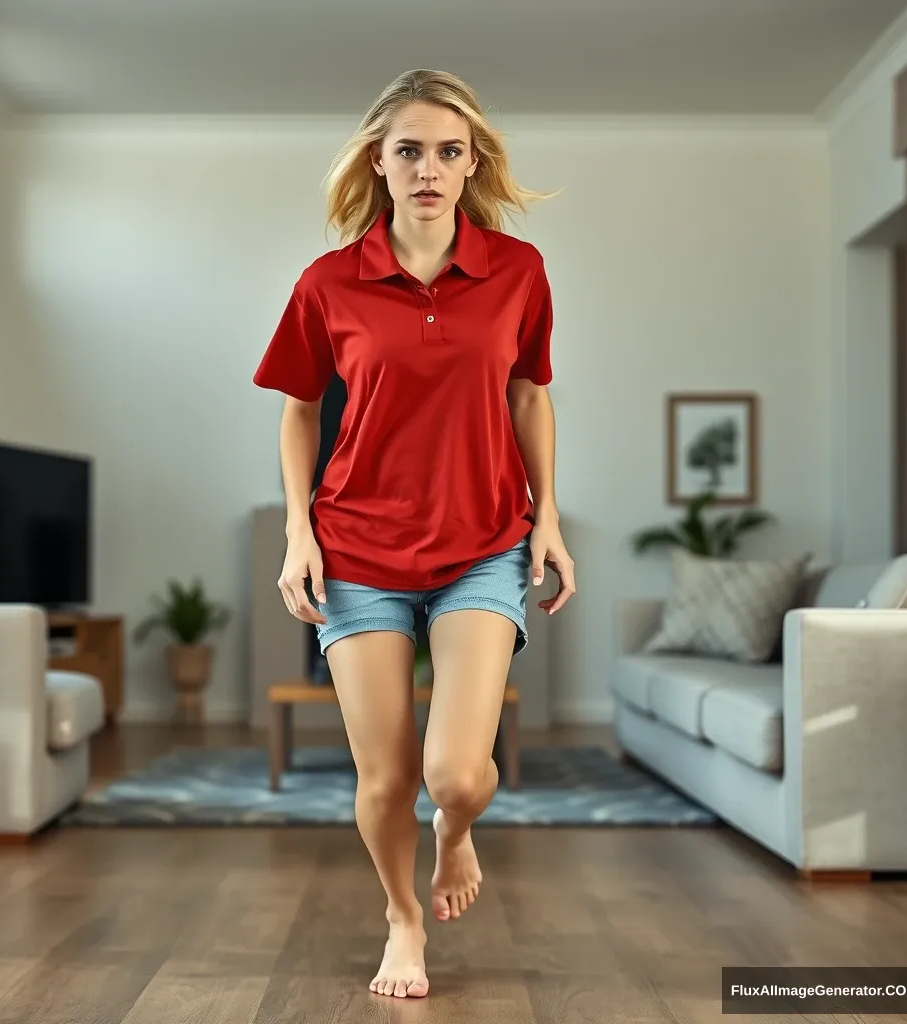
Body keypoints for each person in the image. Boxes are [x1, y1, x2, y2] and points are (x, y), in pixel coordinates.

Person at [253, 68, 576, 999]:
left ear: (472, 164)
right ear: (378, 162)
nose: (429, 168)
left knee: (456, 775)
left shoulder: (519, 272)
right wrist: (297, 530)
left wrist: (546, 516)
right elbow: (298, 410)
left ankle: (460, 833)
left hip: (482, 542)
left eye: (448, 151)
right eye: (408, 151)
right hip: (357, 550)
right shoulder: (328, 283)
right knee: (388, 781)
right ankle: (403, 919)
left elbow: (529, 393)